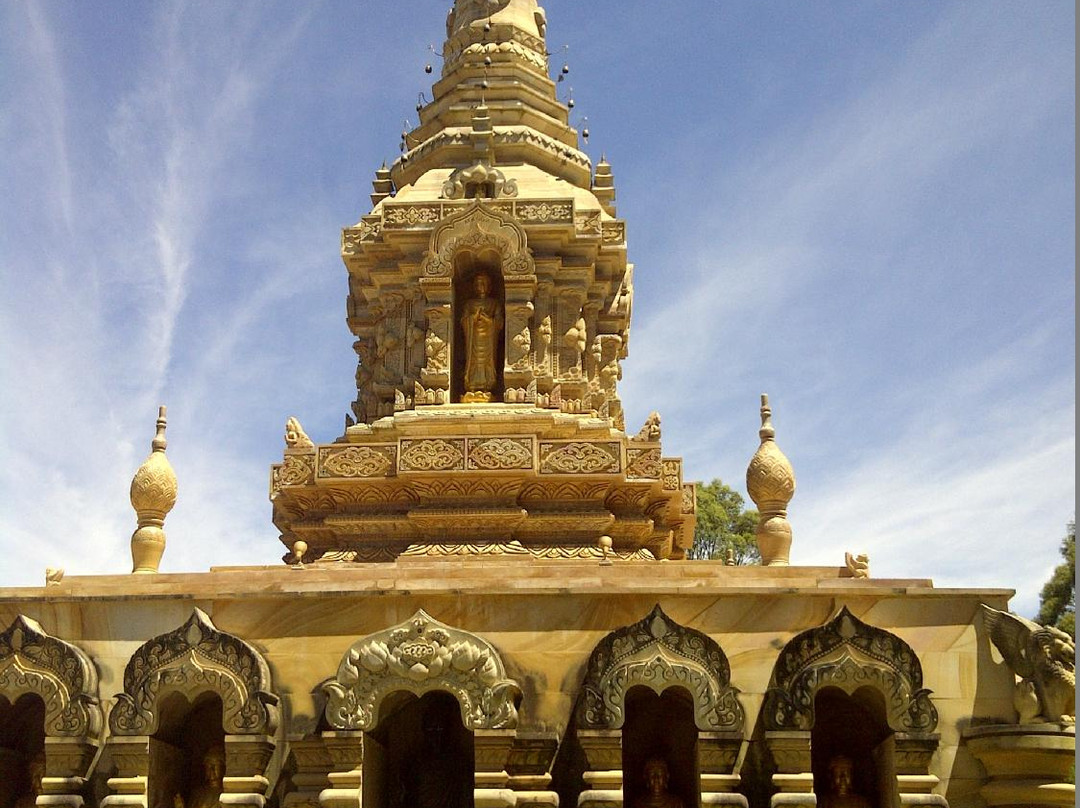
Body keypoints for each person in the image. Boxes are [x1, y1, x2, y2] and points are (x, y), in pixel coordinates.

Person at [460, 273, 503, 401]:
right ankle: (472, 386)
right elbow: (464, 321)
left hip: (489, 338)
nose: (481, 286)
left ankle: (487, 387)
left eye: (484, 283)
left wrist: (487, 320)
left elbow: (499, 322)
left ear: (489, 286)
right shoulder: (469, 304)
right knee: (472, 360)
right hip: (473, 338)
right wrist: (473, 318)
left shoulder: (494, 303)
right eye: (478, 284)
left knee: (488, 361)